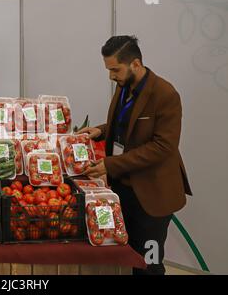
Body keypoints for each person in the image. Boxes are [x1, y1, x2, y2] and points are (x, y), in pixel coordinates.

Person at [79, 35, 192, 275]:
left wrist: (110, 164)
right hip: (124, 187)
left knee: (148, 262)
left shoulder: (165, 94)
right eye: (109, 70)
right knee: (127, 253)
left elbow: (163, 147)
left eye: (115, 69)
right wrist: (101, 130)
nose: (111, 76)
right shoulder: (124, 87)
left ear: (135, 64)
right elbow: (125, 126)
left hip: (153, 193)